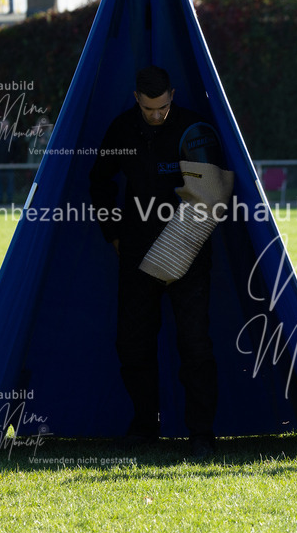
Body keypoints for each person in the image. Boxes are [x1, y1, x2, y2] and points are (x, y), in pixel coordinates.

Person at [88, 65, 220, 459]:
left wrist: (192, 236)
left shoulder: (194, 128)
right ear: (136, 100)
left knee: (195, 345)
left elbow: (213, 189)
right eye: (149, 109)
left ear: (173, 95)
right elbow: (100, 180)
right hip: (137, 252)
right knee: (132, 344)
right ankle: (145, 427)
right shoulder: (121, 129)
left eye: (162, 107)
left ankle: (201, 434)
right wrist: (111, 232)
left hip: (188, 249)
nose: (157, 115)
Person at [0, 117, 23, 205]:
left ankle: (9, 200)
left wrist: (14, 161)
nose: (4, 126)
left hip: (9, 165)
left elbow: (17, 151)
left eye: (5, 125)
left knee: (10, 183)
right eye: (2, 125)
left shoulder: (13, 138)